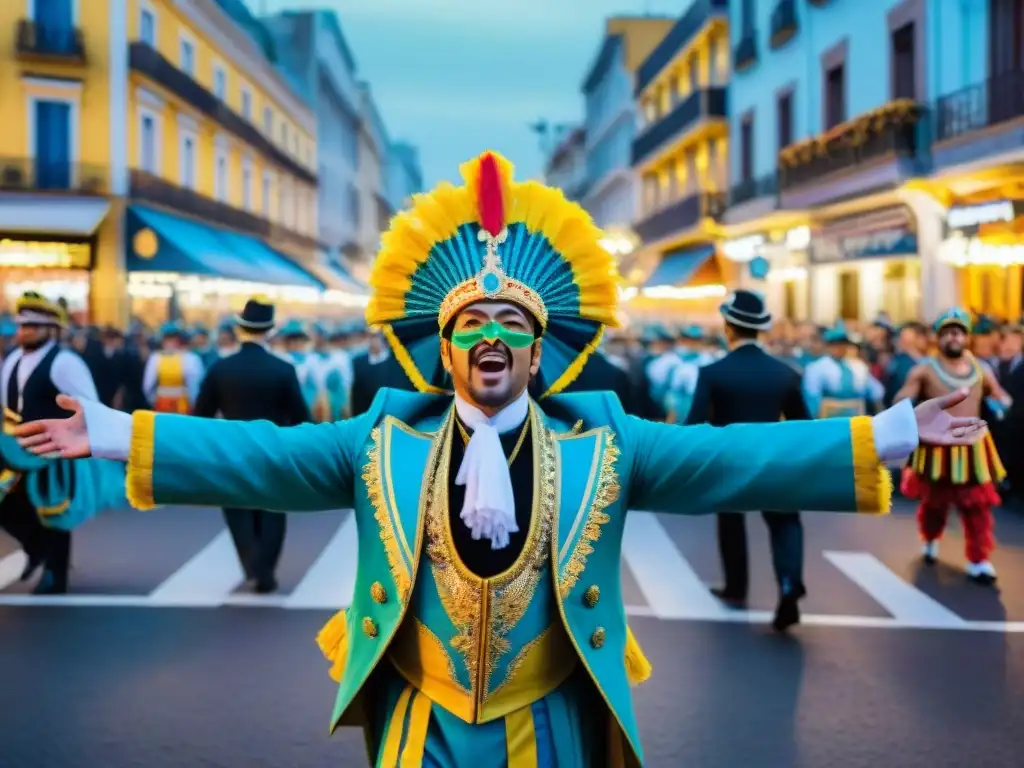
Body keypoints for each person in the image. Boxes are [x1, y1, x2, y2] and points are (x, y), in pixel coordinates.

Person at [16, 152, 985, 767]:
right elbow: (258, 456)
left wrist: (891, 432)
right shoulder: (380, 441)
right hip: (418, 718)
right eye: (470, 322)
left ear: (535, 349)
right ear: (444, 349)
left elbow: (727, 462)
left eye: (508, 325)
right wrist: (115, 431)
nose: (488, 335)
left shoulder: (602, 438)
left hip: (551, 720)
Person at [685, 290, 811, 631]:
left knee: (731, 521)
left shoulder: (713, 373)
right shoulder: (786, 374)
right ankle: (788, 582)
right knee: (785, 521)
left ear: (729, 328)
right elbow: (805, 426)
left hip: (732, 461)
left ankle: (736, 588)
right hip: (775, 460)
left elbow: (694, 427)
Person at [192, 296, 312, 593]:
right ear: (270, 330)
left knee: (237, 509)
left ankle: (251, 562)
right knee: (272, 510)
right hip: (273, 448)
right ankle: (266, 569)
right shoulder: (283, 369)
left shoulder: (221, 368)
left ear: (242, 328)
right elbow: (300, 416)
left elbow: (202, 414)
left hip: (233, 448)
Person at [895, 309, 1011, 585]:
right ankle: (930, 539)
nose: (952, 337)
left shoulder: (982, 369)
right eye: (947, 333)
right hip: (937, 445)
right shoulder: (923, 369)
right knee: (935, 502)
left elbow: (1002, 397)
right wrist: (905, 405)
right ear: (939, 338)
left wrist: (1001, 405)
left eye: (957, 332)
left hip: (974, 445)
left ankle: (979, 560)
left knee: (978, 506)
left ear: (966, 337)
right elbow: (902, 398)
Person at [0, 292, 100, 593]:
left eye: (32, 326)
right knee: (7, 504)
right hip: (15, 448)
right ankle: (36, 548)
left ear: (50, 328)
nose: (24, 332)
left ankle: (55, 574)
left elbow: (89, 405)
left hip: (52, 448)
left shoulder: (65, 362)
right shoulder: (13, 359)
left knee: (53, 510)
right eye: (22, 326)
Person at [803, 323, 884, 417]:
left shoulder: (858, 366)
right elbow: (812, 398)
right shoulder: (816, 368)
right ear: (828, 346)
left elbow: (876, 391)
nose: (840, 348)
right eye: (836, 344)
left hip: (856, 420)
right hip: (828, 421)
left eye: (843, 344)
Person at [142, 321, 203, 414]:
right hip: (172, 406)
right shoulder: (190, 358)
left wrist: (153, 400)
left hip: (174, 406)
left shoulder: (156, 358)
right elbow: (195, 387)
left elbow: (147, 387)